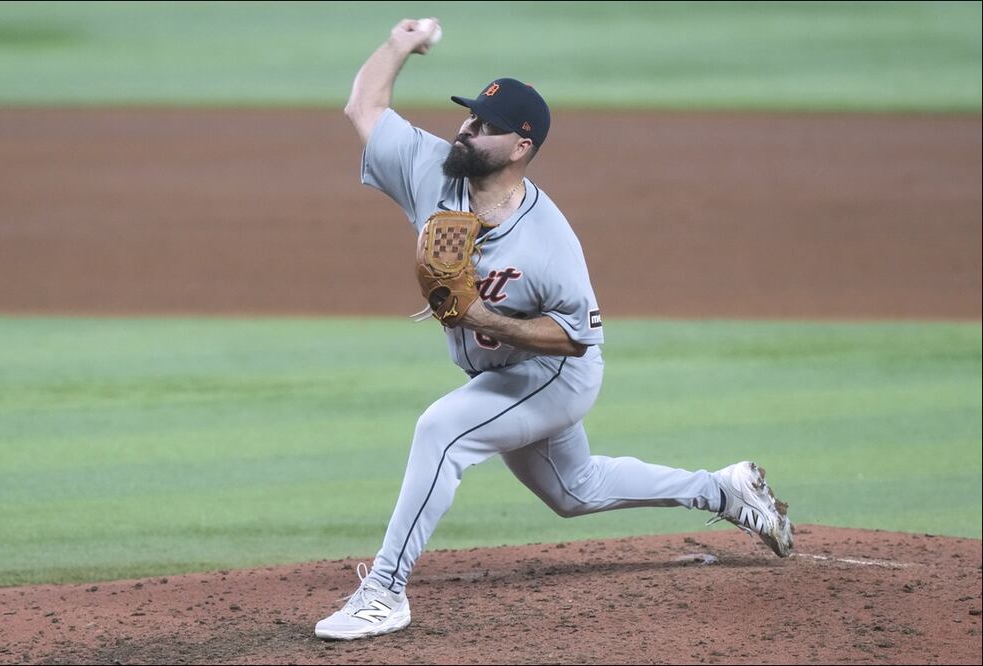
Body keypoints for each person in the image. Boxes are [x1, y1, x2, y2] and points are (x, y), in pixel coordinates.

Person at [315, 18, 793, 641]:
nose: (467, 129)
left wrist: (480, 316)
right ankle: (724, 491)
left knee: (442, 430)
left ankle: (384, 592)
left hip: (555, 374)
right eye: (469, 116)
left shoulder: (549, 240)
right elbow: (364, 104)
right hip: (503, 371)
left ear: (520, 145)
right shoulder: (432, 168)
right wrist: (402, 43)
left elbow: (577, 337)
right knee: (576, 489)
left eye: (486, 127)